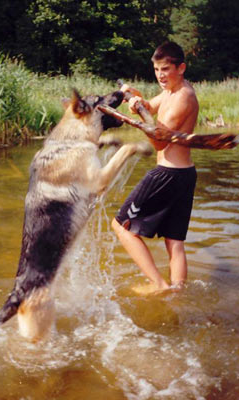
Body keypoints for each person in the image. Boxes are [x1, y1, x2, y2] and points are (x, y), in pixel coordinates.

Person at [111, 41, 199, 294]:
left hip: (168, 174)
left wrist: (139, 115)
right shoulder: (172, 91)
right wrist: (137, 98)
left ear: (181, 68)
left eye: (166, 69)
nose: (161, 75)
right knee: (174, 240)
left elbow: (159, 142)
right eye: (157, 69)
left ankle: (158, 284)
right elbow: (150, 107)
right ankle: (177, 293)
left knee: (121, 227)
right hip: (185, 174)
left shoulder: (183, 97)